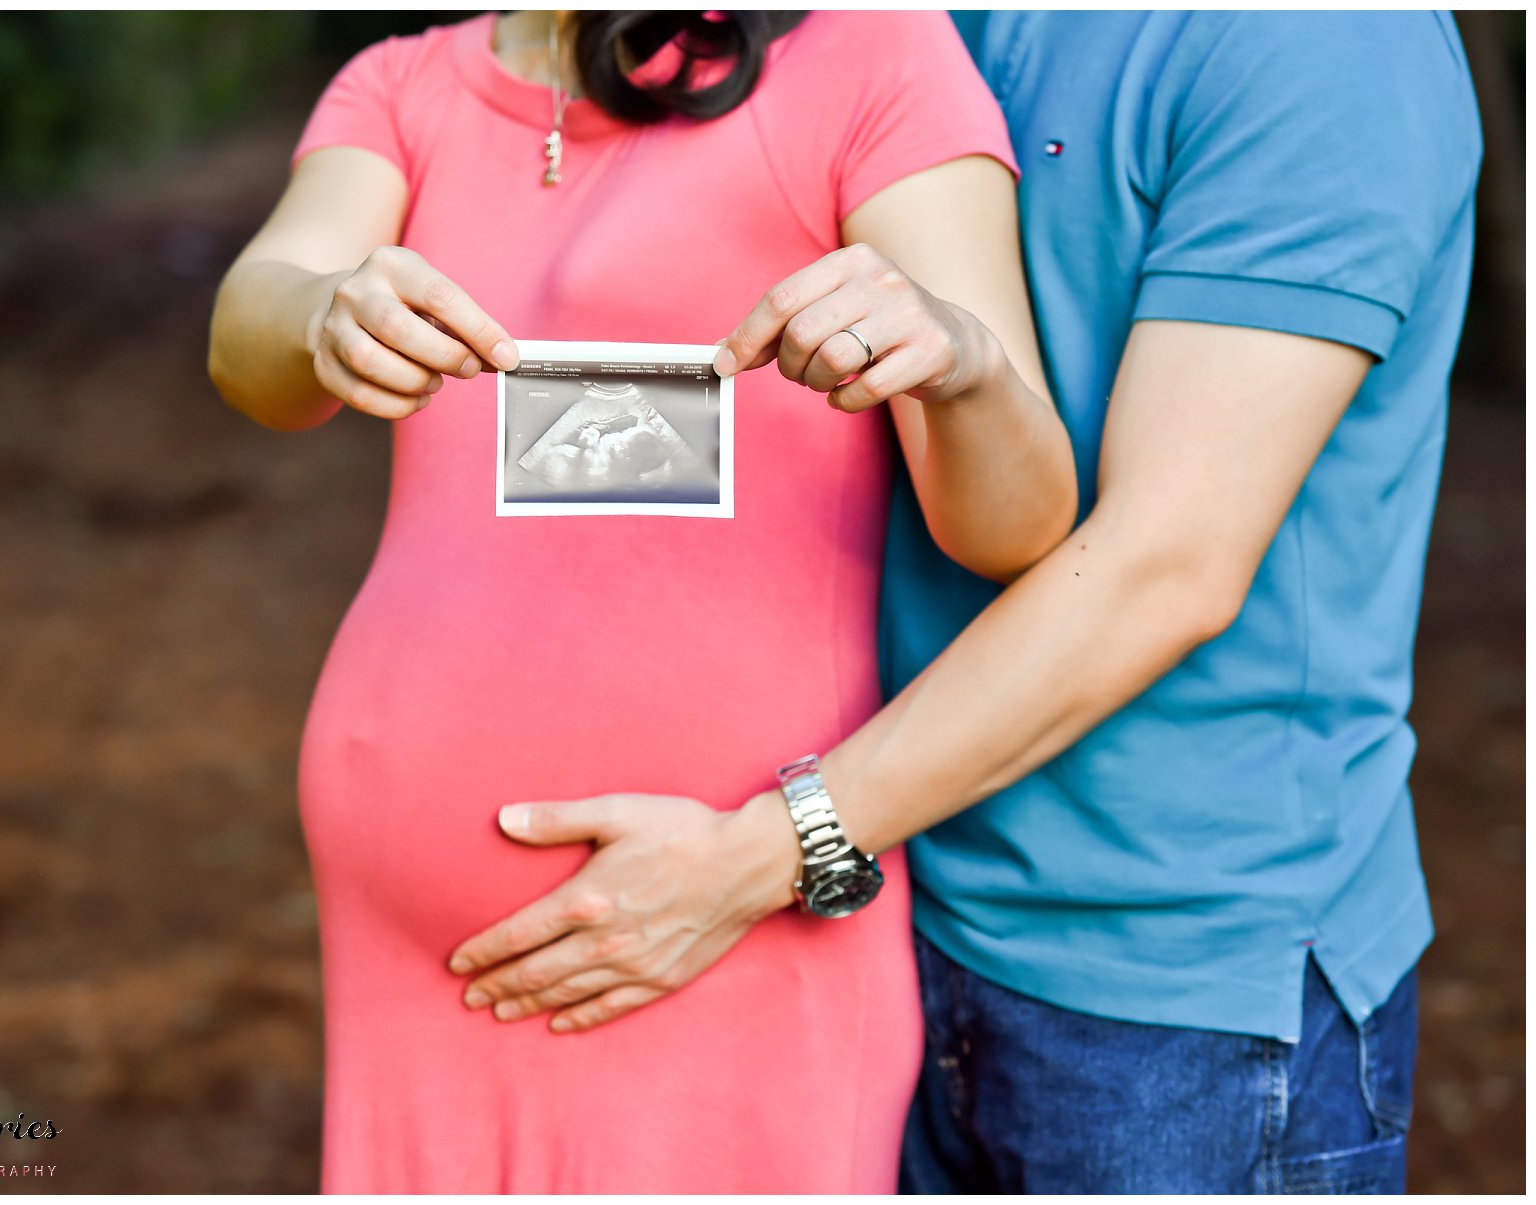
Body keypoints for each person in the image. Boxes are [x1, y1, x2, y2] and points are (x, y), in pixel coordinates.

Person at [449, 10, 1483, 1195]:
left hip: (1178, 994)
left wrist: (758, 854)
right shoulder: (905, 23)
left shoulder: (1329, 43)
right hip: (893, 917)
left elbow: (1168, 564)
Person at [206, 9, 1076, 1193]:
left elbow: (1016, 526)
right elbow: (249, 333)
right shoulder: (400, 86)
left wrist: (964, 368)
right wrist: (320, 315)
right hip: (407, 954)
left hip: (721, 914)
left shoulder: (871, 51)